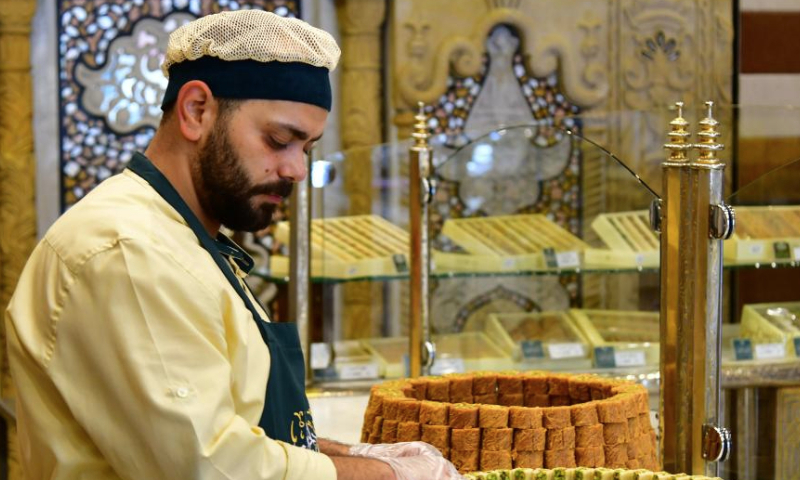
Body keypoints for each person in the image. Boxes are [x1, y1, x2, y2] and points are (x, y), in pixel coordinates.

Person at [5, 10, 462, 480]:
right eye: (279, 139)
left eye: (306, 149)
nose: (296, 170)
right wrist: (388, 478)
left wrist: (361, 455)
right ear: (196, 110)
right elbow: (209, 466)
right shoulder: (125, 251)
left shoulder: (188, 241)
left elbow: (239, 429)